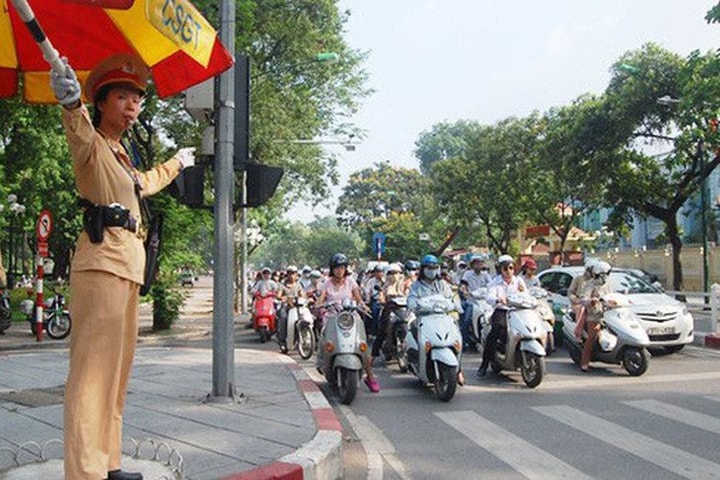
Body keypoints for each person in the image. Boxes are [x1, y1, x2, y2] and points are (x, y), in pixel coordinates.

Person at [51, 54, 194, 480]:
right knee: (92, 375)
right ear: (101, 103)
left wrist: (177, 163)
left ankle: (109, 462)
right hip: (102, 265)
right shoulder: (92, 144)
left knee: (116, 374)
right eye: (122, 97)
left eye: (136, 99)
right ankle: (85, 472)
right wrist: (70, 103)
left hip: (128, 267)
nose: (132, 106)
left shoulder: (122, 157)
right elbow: (76, 129)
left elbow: (144, 183)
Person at [316, 253, 380, 393]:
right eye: (337, 268)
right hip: (332, 317)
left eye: (342, 267)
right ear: (332, 269)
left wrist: (363, 305)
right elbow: (320, 299)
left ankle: (370, 377)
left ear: (346, 269)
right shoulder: (326, 283)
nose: (339, 270)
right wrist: (320, 305)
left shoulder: (351, 281)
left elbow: (358, 298)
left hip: (351, 317)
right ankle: (322, 362)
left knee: (362, 345)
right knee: (324, 340)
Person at [407, 254, 465, 385]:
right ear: (423, 269)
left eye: (434, 267)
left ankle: (458, 369)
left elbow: (452, 297)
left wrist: (455, 304)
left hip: (443, 317)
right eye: (429, 267)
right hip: (424, 318)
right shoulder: (416, 286)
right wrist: (414, 304)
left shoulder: (442, 284)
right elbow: (411, 299)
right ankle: (419, 364)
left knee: (457, 339)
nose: (432, 270)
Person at [476, 254, 527, 378]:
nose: (509, 271)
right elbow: (489, 297)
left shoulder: (519, 281)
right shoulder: (495, 283)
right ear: (500, 269)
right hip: (502, 311)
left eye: (511, 268)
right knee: (496, 330)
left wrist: (523, 293)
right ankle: (484, 363)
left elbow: (527, 294)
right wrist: (498, 299)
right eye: (505, 268)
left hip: (518, 310)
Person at [579, 261, 613, 372]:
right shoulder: (591, 284)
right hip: (594, 314)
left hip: (609, 314)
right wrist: (591, 301)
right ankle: (584, 362)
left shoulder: (608, 284)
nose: (606, 276)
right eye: (605, 274)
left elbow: (612, 295)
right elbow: (583, 299)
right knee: (592, 337)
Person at [370, 263, 406, 364]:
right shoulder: (385, 285)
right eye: (391, 273)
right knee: (381, 332)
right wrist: (382, 300)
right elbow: (381, 296)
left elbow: (409, 295)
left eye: (396, 273)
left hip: (403, 311)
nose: (394, 275)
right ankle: (372, 357)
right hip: (389, 310)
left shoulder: (404, 284)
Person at [459, 255, 492, 350]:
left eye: (481, 263)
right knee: (466, 321)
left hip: (485, 301)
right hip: (471, 301)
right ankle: (465, 343)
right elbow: (463, 285)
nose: (479, 265)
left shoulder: (485, 275)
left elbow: (491, 285)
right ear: (472, 265)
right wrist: (465, 291)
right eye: (477, 263)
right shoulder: (467, 274)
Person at [276, 266, 305, 353]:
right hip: (286, 306)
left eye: (294, 274)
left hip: (296, 307)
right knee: (284, 318)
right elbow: (278, 295)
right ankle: (282, 342)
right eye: (290, 273)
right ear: (287, 274)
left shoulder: (298, 285)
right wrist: (283, 298)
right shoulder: (282, 285)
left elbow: (302, 295)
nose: (292, 276)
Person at [569, 259, 596, 342]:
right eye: (589, 270)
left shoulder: (596, 281)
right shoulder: (578, 279)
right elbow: (570, 292)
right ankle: (579, 333)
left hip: (592, 303)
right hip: (579, 303)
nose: (590, 273)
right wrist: (575, 300)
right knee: (582, 310)